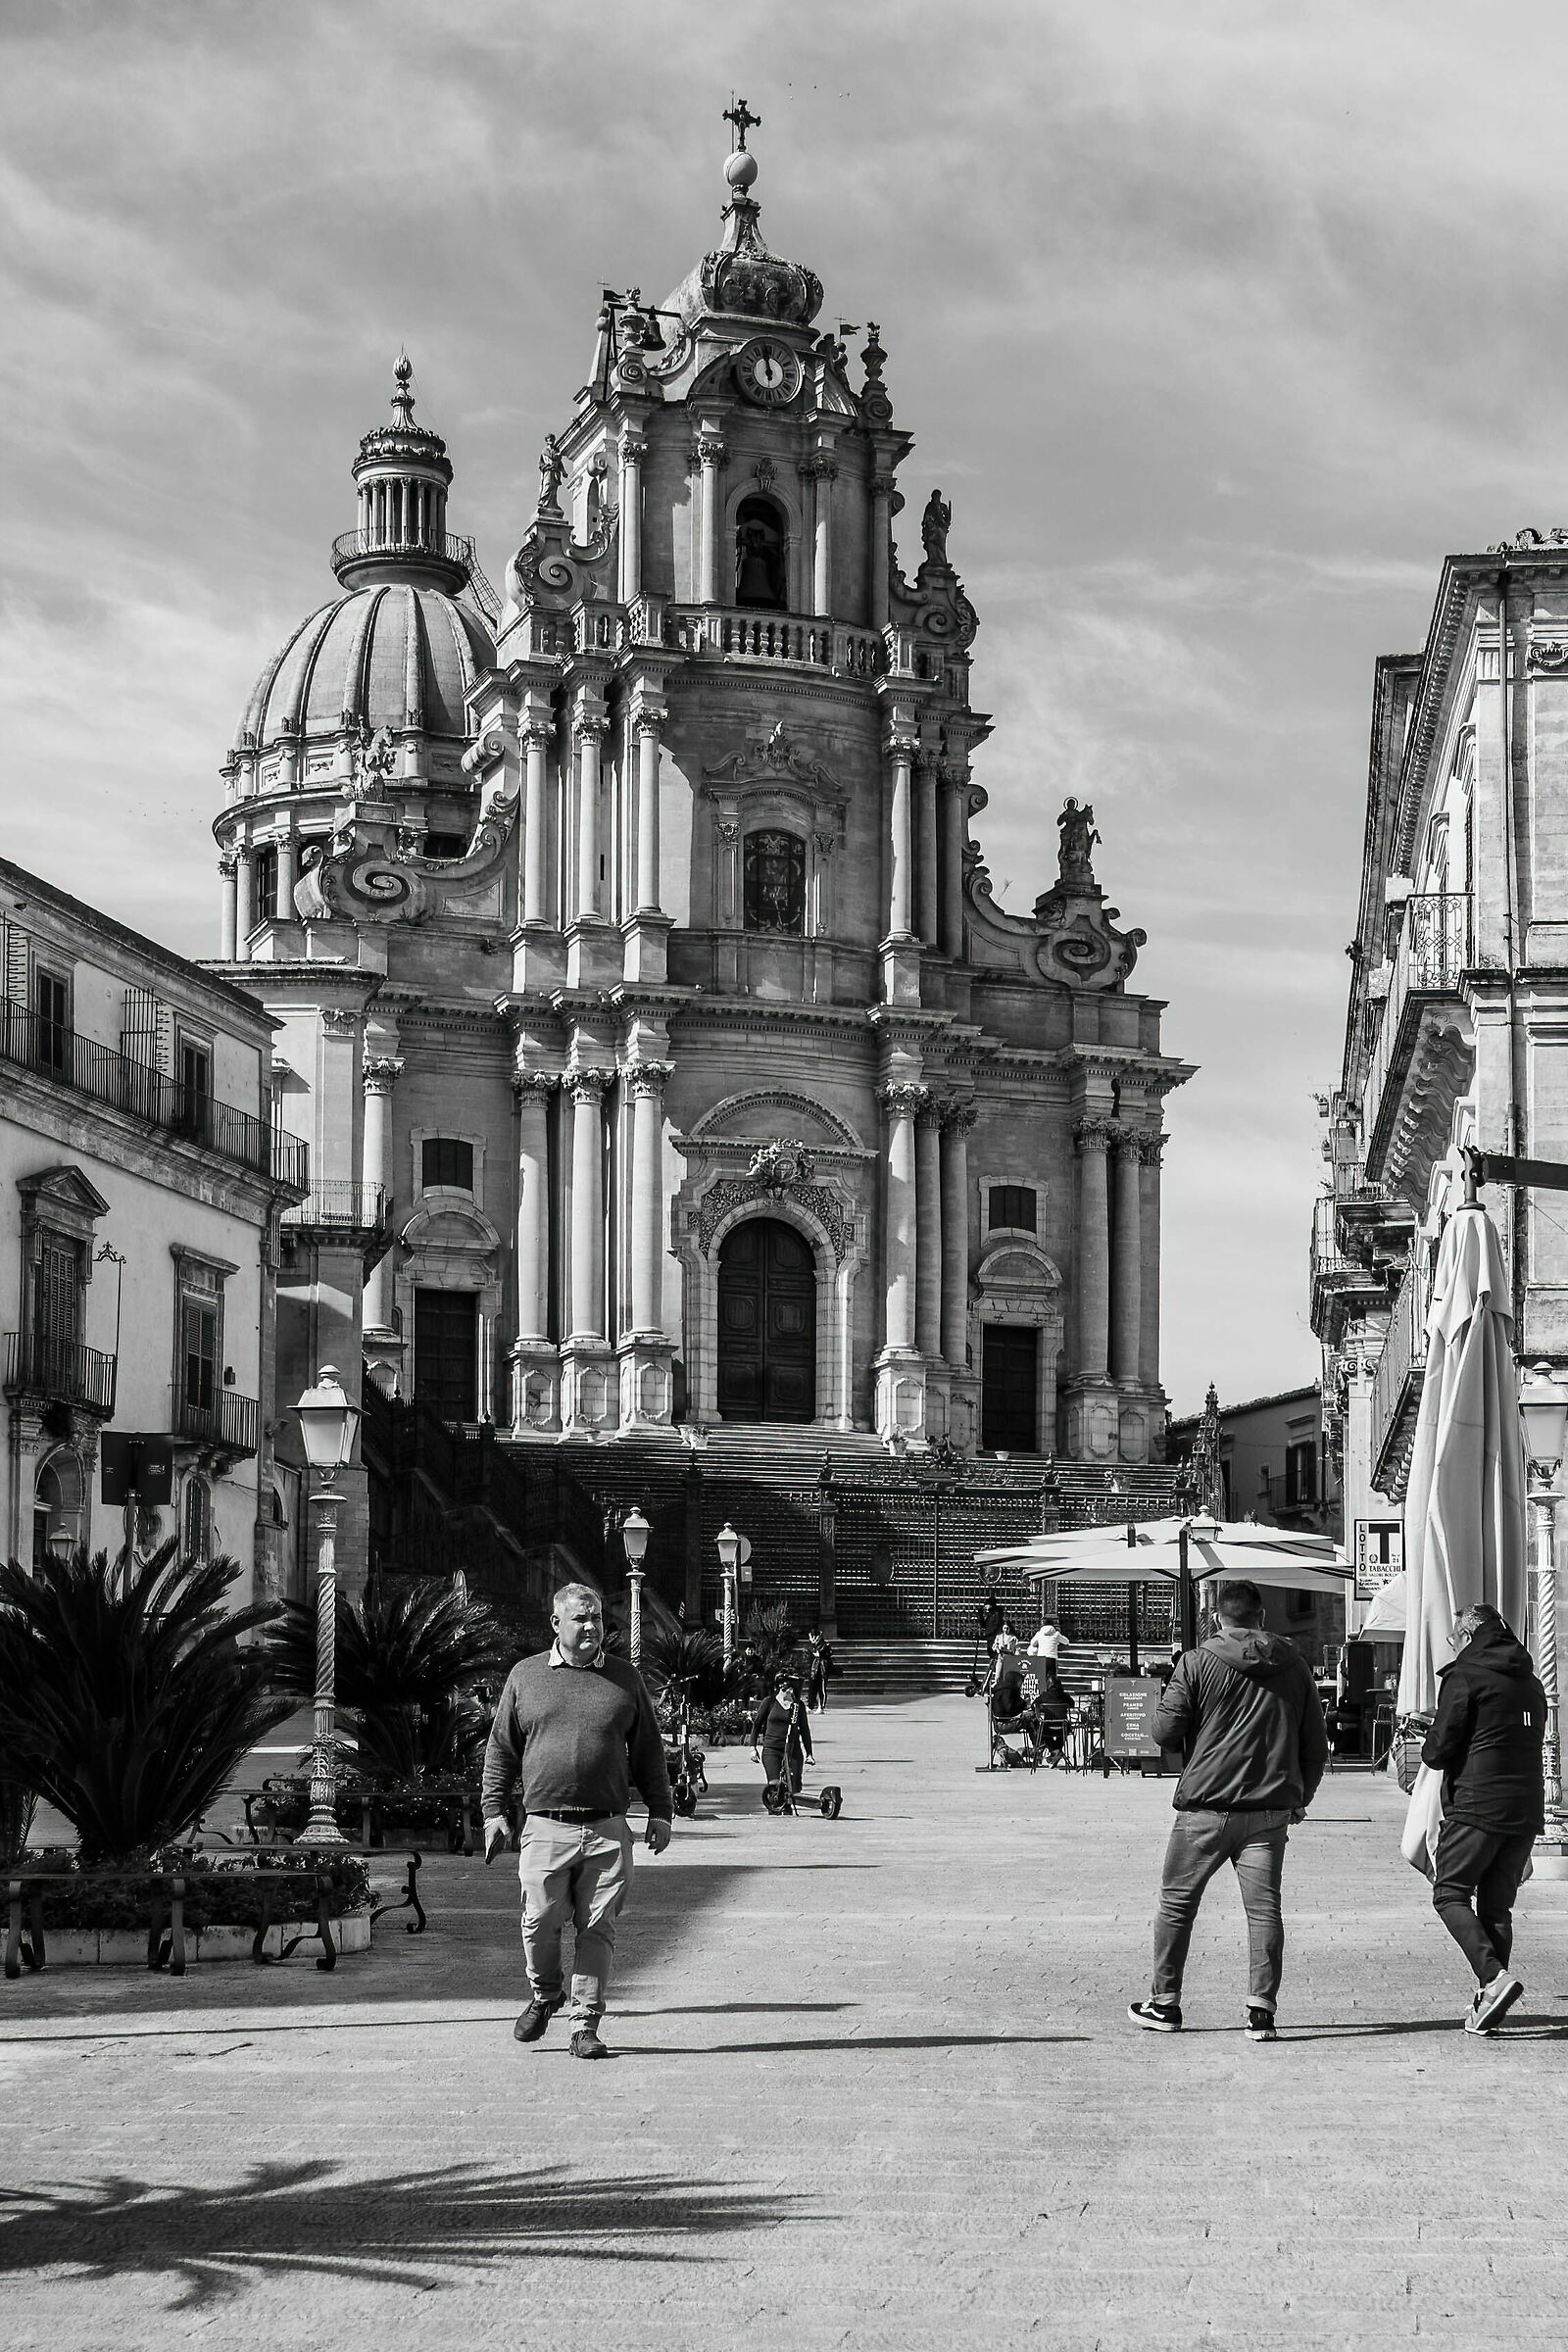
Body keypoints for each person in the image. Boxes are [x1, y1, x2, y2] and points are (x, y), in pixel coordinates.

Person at [1129, 1580, 1327, 2042]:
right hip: (1270, 1809)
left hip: (1205, 1806)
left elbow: (1162, 1731)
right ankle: (1261, 2011)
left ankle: (1165, 2004)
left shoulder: (1197, 1662)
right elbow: (1315, 1746)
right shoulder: (1295, 1667)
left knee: (1178, 1905)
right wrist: (1302, 1797)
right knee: (1264, 1911)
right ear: (1261, 1617)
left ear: (1218, 1618)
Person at [482, 1581, 672, 2061]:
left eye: (597, 1618)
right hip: (545, 1825)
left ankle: (585, 2023)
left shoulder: (626, 1680)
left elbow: (648, 1749)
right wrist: (493, 1811)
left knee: (597, 1927)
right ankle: (546, 1994)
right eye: (580, 1618)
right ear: (557, 1624)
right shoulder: (525, 1677)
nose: (591, 1626)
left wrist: (661, 1810)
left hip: (608, 1828)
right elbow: (501, 1750)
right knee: (539, 1919)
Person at [1422, 1601, 1546, 2034]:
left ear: (1470, 1636)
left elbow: (1438, 1752)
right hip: (1526, 1807)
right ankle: (1487, 1999)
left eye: (1456, 1639)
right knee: (1497, 1908)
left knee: (1450, 1893)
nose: (1454, 1647)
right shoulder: (1531, 1683)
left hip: (1477, 1804)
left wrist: (1429, 1733)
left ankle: (1494, 1979)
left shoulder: (1466, 1676)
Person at [752, 1672, 813, 1798]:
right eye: (790, 1688)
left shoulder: (797, 1705)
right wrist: (753, 1748)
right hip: (772, 1749)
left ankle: (788, 1810)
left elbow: (805, 1730)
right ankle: (775, 1810)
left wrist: (809, 1754)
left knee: (793, 1786)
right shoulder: (769, 1702)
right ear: (781, 1686)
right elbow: (757, 1725)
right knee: (775, 1786)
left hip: (792, 1749)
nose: (792, 1691)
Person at [806, 1629, 837, 1713]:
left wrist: (820, 1654)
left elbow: (829, 1654)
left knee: (821, 1689)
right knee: (812, 1688)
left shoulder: (825, 1644)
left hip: (822, 1669)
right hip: (813, 1670)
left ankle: (821, 1706)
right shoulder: (811, 1645)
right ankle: (810, 1706)